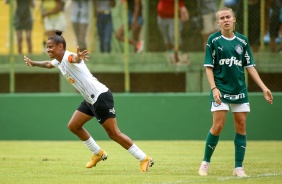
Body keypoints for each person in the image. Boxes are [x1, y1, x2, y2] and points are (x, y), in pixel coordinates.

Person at [23, 30, 154, 172]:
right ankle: (98, 153)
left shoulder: (68, 57)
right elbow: (49, 64)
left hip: (100, 97)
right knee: (74, 126)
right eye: (47, 47)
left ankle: (144, 158)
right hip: (89, 99)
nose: (48, 50)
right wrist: (33, 63)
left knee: (114, 133)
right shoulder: (58, 61)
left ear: (60, 47)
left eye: (50, 47)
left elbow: (75, 59)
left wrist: (79, 58)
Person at [198, 7, 273, 177]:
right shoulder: (213, 40)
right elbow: (209, 68)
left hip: (239, 89)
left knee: (241, 125)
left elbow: (250, 67)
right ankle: (205, 163)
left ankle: (238, 168)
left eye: (228, 17)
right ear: (218, 22)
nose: (225, 20)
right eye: (222, 18)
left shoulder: (242, 41)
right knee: (218, 125)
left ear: (234, 20)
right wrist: (214, 88)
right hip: (220, 89)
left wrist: (264, 87)